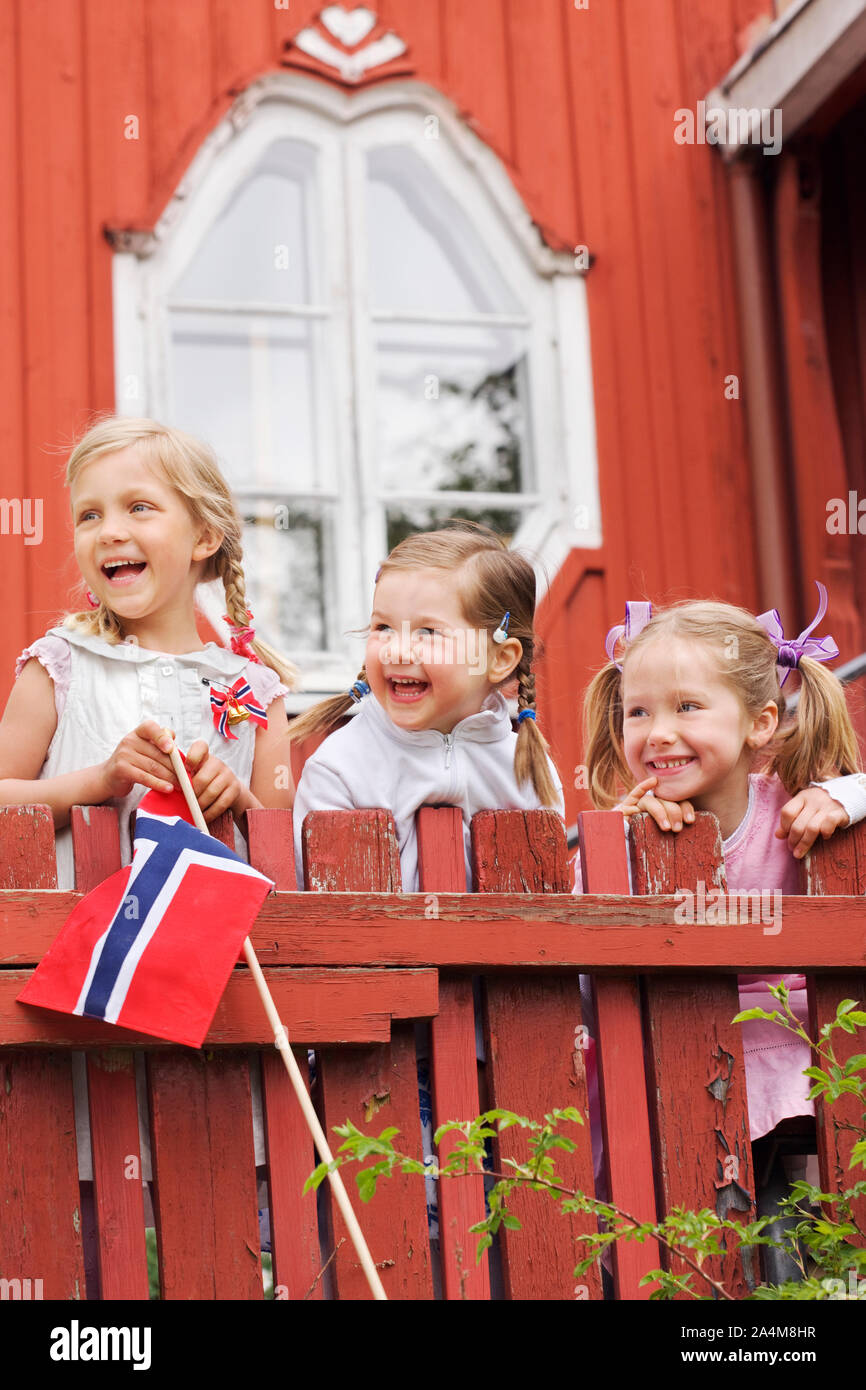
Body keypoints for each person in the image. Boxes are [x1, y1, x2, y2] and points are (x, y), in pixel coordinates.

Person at [0, 415, 297, 1284]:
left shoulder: (253, 689)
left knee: (206, 1220)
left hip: (203, 997)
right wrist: (85, 785)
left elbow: (286, 839)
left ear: (205, 536)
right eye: (90, 516)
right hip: (66, 988)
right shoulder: (59, 664)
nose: (110, 531)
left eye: (139, 507)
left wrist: (234, 799)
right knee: (71, 1210)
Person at [581, 588, 866, 1276]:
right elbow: (575, 963)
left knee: (783, 1221)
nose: (659, 732)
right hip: (671, 1055)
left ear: (760, 722)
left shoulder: (794, 810)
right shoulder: (626, 833)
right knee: (699, 1240)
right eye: (639, 712)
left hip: (794, 1055)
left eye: (688, 707)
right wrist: (619, 849)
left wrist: (846, 795)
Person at [288, 522, 565, 892]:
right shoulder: (341, 768)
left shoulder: (527, 770)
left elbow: (551, 896)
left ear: (500, 658)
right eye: (383, 627)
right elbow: (324, 906)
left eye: (428, 633)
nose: (397, 650)